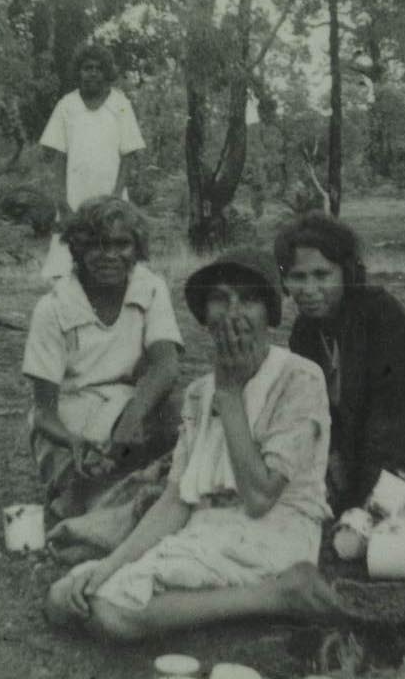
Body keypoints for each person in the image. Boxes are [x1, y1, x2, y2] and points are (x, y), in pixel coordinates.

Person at [44, 249, 342, 640]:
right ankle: (256, 595)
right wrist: (109, 566)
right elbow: (176, 500)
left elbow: (259, 497)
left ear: (269, 313)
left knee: (111, 613)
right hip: (208, 528)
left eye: (249, 299)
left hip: (273, 532)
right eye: (220, 298)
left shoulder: (300, 379)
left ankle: (278, 594)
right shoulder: (200, 393)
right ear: (205, 316)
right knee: (62, 597)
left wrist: (232, 394)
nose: (234, 312)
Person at [275, 213, 405, 513]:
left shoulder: (383, 317)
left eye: (322, 274)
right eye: (298, 277)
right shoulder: (305, 331)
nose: (309, 288)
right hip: (352, 469)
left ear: (348, 273)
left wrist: (364, 502)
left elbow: (393, 426)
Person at [24, 197, 182, 528]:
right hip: (73, 423)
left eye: (121, 244)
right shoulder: (52, 308)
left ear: (137, 249)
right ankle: (87, 493)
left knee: (179, 409)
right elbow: (43, 414)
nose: (109, 255)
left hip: (130, 412)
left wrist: (131, 420)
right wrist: (72, 441)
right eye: (95, 245)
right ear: (77, 250)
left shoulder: (150, 288)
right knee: (110, 477)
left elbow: (166, 365)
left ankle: (112, 492)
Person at [38, 44, 146, 280]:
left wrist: (116, 195)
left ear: (106, 72)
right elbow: (59, 155)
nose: (93, 73)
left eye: (98, 68)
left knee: (114, 247)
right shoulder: (67, 105)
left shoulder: (120, 105)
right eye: (87, 68)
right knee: (67, 262)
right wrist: (61, 199)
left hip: (110, 190)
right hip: (76, 191)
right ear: (78, 71)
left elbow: (127, 155)